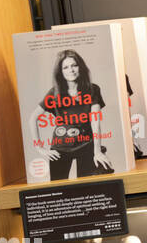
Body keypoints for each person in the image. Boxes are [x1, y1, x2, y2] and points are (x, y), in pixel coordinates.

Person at [30, 50, 114, 181]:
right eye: (66, 67)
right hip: (60, 148)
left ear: (80, 67)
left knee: (88, 188)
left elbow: (95, 121)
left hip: (87, 145)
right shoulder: (54, 93)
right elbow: (33, 118)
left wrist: (97, 151)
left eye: (74, 65)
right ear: (61, 72)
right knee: (59, 191)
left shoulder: (93, 89)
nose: (71, 70)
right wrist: (39, 148)